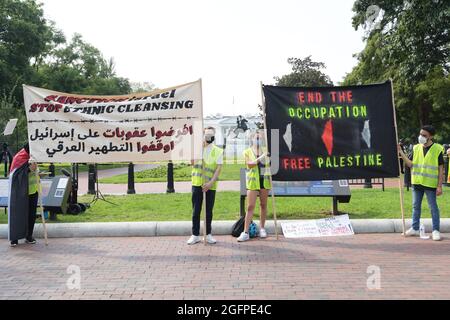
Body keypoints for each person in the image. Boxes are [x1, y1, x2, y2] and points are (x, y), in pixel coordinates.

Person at [398, 125, 444, 241]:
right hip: (417, 182)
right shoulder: (416, 148)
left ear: (431, 136)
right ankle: (415, 228)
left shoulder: (438, 149)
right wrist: (401, 152)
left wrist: (439, 186)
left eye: (424, 135)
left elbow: (440, 169)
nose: (421, 137)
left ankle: (436, 230)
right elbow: (410, 164)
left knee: (433, 207)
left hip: (430, 184)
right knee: (415, 206)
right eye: (420, 134)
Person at [187, 127, 223, 245]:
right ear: (203, 135)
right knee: (196, 210)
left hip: (210, 185)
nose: (209, 137)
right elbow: (191, 162)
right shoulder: (196, 149)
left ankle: (208, 234)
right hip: (197, 183)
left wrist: (210, 182)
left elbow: (218, 168)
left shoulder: (218, 151)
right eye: (207, 135)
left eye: (211, 135)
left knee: (208, 211)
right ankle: (195, 235)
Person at [237, 130, 271, 242]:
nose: (258, 140)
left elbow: (271, 165)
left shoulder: (267, 151)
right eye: (256, 138)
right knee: (250, 206)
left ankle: (262, 228)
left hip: (264, 182)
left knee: (263, 205)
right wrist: (261, 157)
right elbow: (250, 164)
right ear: (251, 139)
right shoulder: (247, 151)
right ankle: (245, 232)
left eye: (260, 138)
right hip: (253, 183)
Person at [8, 143, 39, 247]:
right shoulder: (19, 158)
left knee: (31, 215)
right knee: (18, 213)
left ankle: (29, 236)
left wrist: (35, 170)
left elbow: (33, 171)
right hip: (20, 193)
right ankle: (14, 238)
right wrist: (30, 169)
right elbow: (16, 175)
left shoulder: (33, 157)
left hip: (33, 191)